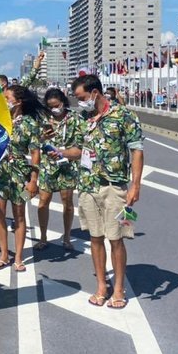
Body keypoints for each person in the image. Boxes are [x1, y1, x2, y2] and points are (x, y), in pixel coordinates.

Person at [62, 74, 144, 309]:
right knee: (95, 238)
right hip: (88, 185)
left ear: (95, 92)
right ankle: (101, 285)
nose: (80, 102)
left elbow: (137, 150)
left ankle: (118, 289)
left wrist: (135, 186)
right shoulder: (84, 118)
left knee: (116, 239)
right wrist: (59, 152)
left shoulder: (123, 115)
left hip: (114, 186)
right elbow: (79, 149)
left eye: (82, 97)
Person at [0, 85, 46, 272]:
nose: (4, 100)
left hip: (19, 173)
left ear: (18, 102)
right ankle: (4, 254)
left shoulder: (29, 124)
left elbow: (35, 153)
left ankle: (19, 257)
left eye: (7, 97)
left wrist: (33, 180)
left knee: (19, 216)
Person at [35, 89, 83, 252]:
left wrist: (64, 153)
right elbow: (35, 142)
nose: (55, 109)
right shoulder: (43, 119)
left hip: (67, 165)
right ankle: (42, 237)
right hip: (48, 166)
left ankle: (67, 237)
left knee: (67, 203)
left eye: (57, 105)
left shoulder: (75, 118)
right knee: (43, 203)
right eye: (51, 106)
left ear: (63, 102)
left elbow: (79, 145)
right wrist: (43, 138)